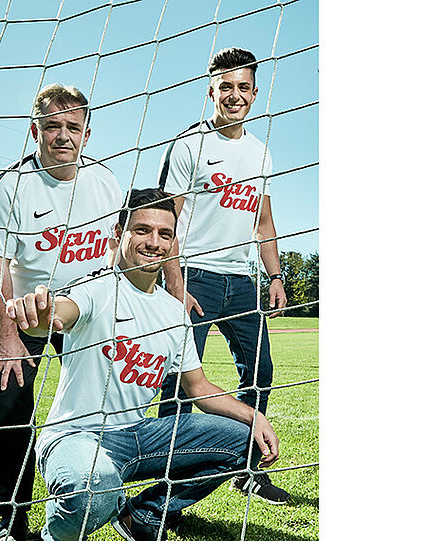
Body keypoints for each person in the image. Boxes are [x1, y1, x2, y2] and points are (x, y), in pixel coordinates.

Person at [4, 188, 280, 541]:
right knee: (95, 486)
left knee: (245, 442)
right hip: (76, 437)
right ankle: (52, 537)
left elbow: (198, 387)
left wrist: (254, 416)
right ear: (118, 234)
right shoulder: (97, 288)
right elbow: (62, 311)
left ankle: (142, 517)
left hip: (137, 436)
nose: (154, 242)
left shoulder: (173, 313)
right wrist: (43, 313)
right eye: (142, 230)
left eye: (165, 234)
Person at [0, 83, 123, 541]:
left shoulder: (106, 182)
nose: (64, 136)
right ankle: (10, 519)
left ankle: (113, 501)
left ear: (87, 133)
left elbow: (117, 250)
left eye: (73, 127)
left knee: (110, 401)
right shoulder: (12, 185)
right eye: (53, 127)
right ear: (34, 130)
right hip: (26, 314)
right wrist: (10, 339)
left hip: (82, 311)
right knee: (11, 406)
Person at [156, 47, 290, 504]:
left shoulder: (261, 152)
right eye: (225, 87)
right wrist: (175, 284)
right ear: (211, 91)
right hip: (194, 277)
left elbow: (264, 223)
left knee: (260, 373)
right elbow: (166, 220)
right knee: (176, 382)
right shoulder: (189, 145)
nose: (235, 95)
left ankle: (251, 471)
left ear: (255, 93)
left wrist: (275, 276)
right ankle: (167, 482)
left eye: (243, 87)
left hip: (244, 282)